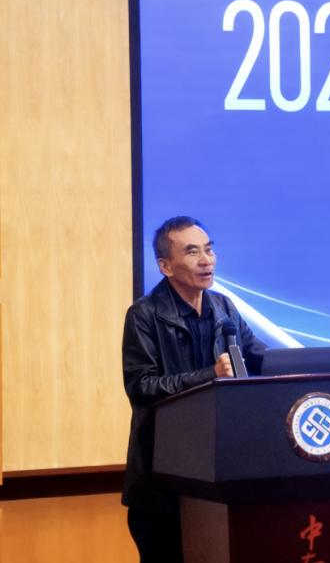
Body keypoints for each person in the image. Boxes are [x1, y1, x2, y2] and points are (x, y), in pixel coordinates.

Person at [121, 216, 267, 562]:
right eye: (192, 252)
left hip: (218, 476)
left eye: (209, 250)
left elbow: (260, 358)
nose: (206, 260)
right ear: (165, 266)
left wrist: (309, 368)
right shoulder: (144, 315)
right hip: (163, 483)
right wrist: (210, 375)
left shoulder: (224, 308)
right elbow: (142, 387)